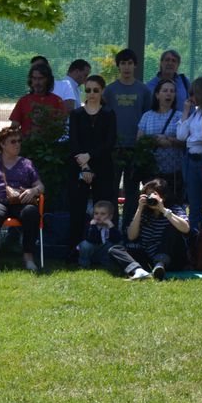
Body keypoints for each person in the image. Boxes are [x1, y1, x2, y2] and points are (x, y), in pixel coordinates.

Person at [0, 126, 45, 272]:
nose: (17, 144)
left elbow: (40, 185)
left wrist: (34, 190)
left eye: (19, 141)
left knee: (31, 213)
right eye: (13, 141)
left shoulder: (26, 163)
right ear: (2, 144)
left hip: (21, 202)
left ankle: (28, 257)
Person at [68, 75, 117, 253]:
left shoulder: (109, 114)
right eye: (88, 90)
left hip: (103, 167)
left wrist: (89, 156)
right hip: (80, 167)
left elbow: (109, 143)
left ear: (102, 91)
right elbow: (74, 142)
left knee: (103, 208)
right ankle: (75, 249)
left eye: (96, 90)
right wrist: (85, 167)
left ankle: (104, 250)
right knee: (77, 210)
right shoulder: (76, 114)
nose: (91, 93)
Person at [102, 48, 152, 226]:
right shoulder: (109, 91)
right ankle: (112, 226)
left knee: (132, 191)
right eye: (123, 63)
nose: (126, 67)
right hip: (114, 147)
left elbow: (147, 117)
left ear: (135, 65)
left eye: (130, 63)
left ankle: (129, 228)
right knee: (111, 189)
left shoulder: (144, 90)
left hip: (135, 147)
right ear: (118, 66)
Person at [108, 178, 190, 280]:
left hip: (173, 258)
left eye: (154, 194)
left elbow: (186, 228)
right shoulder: (144, 213)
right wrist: (140, 209)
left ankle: (160, 264)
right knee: (115, 249)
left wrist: (163, 210)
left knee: (172, 229)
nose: (150, 197)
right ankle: (139, 271)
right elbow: (131, 236)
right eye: (148, 195)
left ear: (163, 197)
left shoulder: (173, 209)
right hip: (149, 257)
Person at [135, 78, 184, 221]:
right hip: (152, 172)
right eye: (165, 91)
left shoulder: (180, 116)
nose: (169, 94)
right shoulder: (147, 116)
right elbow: (139, 142)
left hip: (174, 172)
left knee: (173, 207)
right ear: (157, 94)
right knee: (151, 208)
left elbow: (186, 143)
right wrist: (154, 140)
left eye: (172, 91)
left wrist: (170, 140)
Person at [176, 76, 202, 234]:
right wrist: (186, 111)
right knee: (194, 204)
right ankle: (194, 241)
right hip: (191, 161)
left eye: (193, 94)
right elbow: (181, 135)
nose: (190, 98)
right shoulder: (196, 112)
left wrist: (192, 140)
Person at [9, 62, 66, 135]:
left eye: (40, 78)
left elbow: (61, 126)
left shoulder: (57, 101)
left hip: (50, 144)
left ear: (48, 80)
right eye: (34, 78)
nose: (37, 82)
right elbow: (14, 127)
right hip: (27, 144)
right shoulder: (23, 101)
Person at [77, 200, 121, 269]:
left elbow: (117, 239)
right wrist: (93, 226)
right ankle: (84, 265)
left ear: (110, 216)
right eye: (96, 213)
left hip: (103, 253)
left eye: (103, 214)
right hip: (91, 252)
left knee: (115, 244)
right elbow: (92, 240)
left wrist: (111, 226)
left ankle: (107, 264)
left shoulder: (110, 226)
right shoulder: (91, 225)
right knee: (85, 245)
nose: (98, 216)